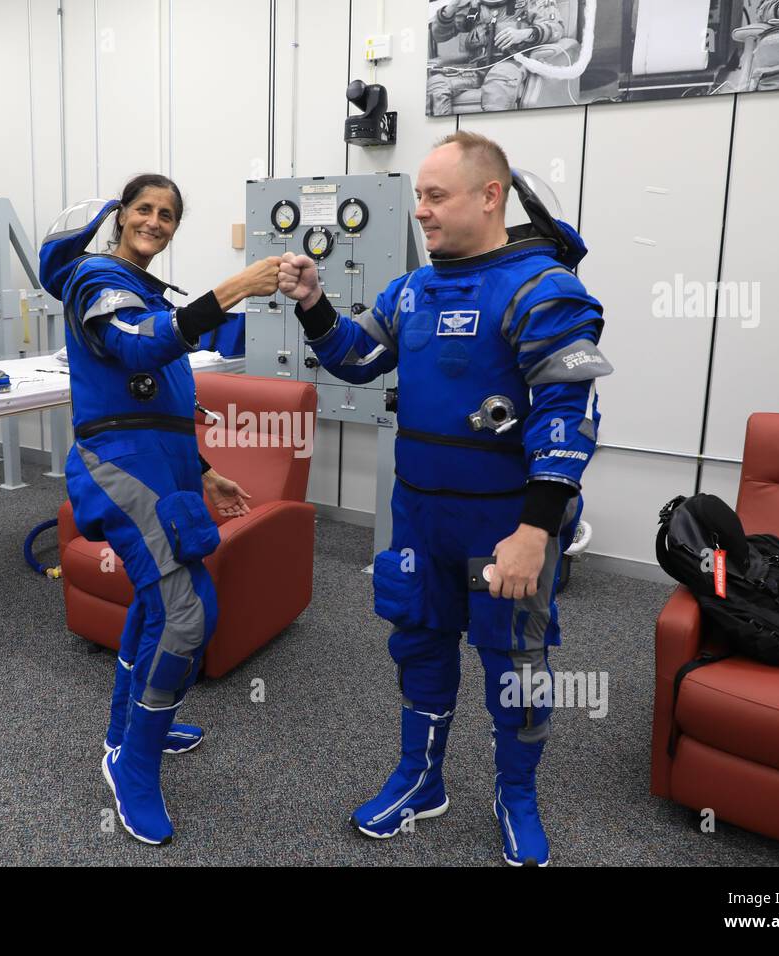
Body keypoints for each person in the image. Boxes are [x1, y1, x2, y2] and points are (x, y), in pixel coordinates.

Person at [277, 132, 611, 865]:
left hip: (504, 525)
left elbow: (568, 421)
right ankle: (421, 780)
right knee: (420, 645)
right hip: (420, 518)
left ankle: (515, 796)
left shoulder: (541, 289)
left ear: (490, 196)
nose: (421, 211)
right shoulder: (411, 290)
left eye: (436, 197)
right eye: (420, 197)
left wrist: (535, 532)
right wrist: (312, 304)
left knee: (514, 662)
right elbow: (356, 359)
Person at [38, 174, 280, 845]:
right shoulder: (96, 277)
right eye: (143, 209)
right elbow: (138, 347)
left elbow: (157, 396)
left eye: (167, 214)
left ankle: (131, 725)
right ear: (120, 216)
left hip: (163, 467)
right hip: (119, 469)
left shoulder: (144, 290)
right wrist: (236, 286)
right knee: (189, 610)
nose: (155, 220)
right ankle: (132, 763)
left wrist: (206, 472)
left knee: (154, 600)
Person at [427, 0, 566, 114]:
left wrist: (525, 33)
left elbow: (555, 28)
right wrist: (451, 7)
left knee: (497, 84)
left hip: (511, 64)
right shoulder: (473, 5)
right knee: (437, 84)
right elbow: (439, 35)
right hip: (477, 68)